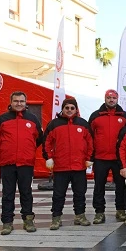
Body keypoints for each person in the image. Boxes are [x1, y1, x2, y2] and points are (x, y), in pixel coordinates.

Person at [0, 91, 43, 235]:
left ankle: (28, 220)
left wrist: (28, 150)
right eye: (16, 101)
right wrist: (4, 150)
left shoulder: (33, 119)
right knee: (7, 194)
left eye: (22, 101)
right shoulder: (1, 120)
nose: (19, 104)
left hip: (26, 163)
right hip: (7, 163)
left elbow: (38, 139)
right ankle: (7, 223)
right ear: (10, 102)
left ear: (26, 103)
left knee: (26, 192)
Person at [43, 98, 93, 230]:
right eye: (67, 108)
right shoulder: (54, 124)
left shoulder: (83, 124)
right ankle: (56, 218)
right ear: (63, 109)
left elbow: (91, 143)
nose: (69, 110)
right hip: (60, 167)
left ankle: (80, 216)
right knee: (58, 194)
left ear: (76, 109)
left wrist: (89, 158)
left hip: (79, 166)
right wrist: (48, 157)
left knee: (80, 193)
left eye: (72, 108)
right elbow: (46, 143)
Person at [88, 89, 126, 224]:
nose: (111, 100)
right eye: (109, 97)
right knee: (99, 186)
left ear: (117, 99)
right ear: (105, 98)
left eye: (113, 98)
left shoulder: (124, 116)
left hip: (118, 159)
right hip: (100, 158)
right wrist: (90, 156)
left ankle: (121, 210)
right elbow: (89, 137)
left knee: (121, 186)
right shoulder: (95, 116)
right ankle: (99, 212)